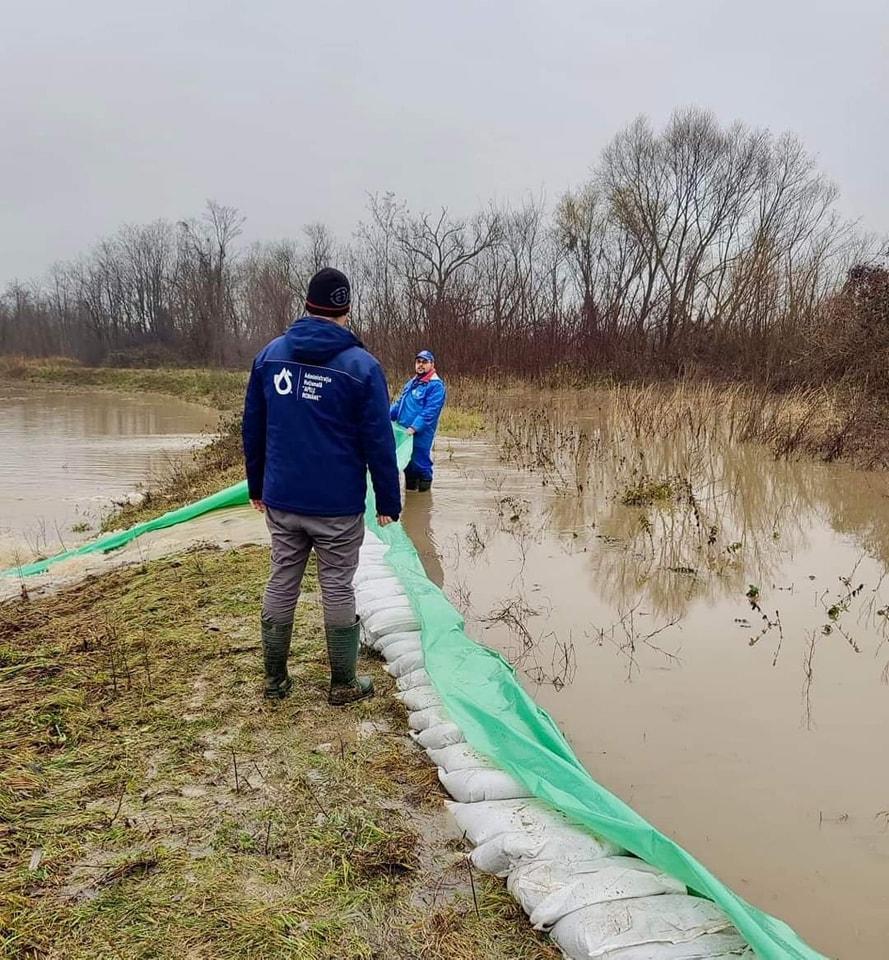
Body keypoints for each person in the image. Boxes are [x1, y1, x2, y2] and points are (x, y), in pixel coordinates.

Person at [242, 267, 401, 705]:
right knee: (336, 585)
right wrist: (388, 500)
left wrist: (257, 485)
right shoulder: (362, 367)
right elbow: (379, 441)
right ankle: (343, 685)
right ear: (346, 309)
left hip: (283, 498)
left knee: (282, 579)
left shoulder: (270, 356)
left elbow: (252, 428)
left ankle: (275, 681)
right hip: (336, 506)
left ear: (307, 304)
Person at [390, 350, 447, 492]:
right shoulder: (412, 383)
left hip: (421, 434)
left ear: (432, 364)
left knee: (420, 464)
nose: (420, 365)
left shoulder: (436, 386)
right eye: (418, 362)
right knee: (407, 464)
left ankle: (424, 501)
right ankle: (411, 499)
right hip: (404, 432)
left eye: (424, 362)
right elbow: (399, 404)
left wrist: (414, 427)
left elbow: (430, 412)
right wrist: (383, 416)